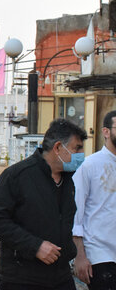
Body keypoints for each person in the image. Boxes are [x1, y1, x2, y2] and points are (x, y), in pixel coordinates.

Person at [0, 118, 87, 290]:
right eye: (77, 148)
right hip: (22, 278)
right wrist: (34, 246)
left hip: (61, 277)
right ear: (58, 147)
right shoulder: (17, 176)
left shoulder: (69, 181)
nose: (81, 155)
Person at [72, 110, 116, 288]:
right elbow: (76, 213)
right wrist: (79, 255)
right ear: (106, 132)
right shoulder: (90, 166)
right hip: (100, 254)